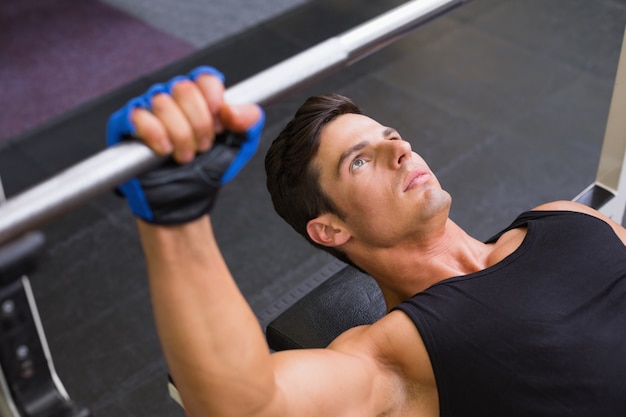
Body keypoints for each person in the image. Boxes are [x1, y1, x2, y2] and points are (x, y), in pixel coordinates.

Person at [108, 67, 626, 417]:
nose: (398, 150)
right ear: (331, 229)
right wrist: (177, 219)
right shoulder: (392, 356)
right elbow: (252, 405)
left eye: (390, 136)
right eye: (360, 160)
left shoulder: (566, 217)